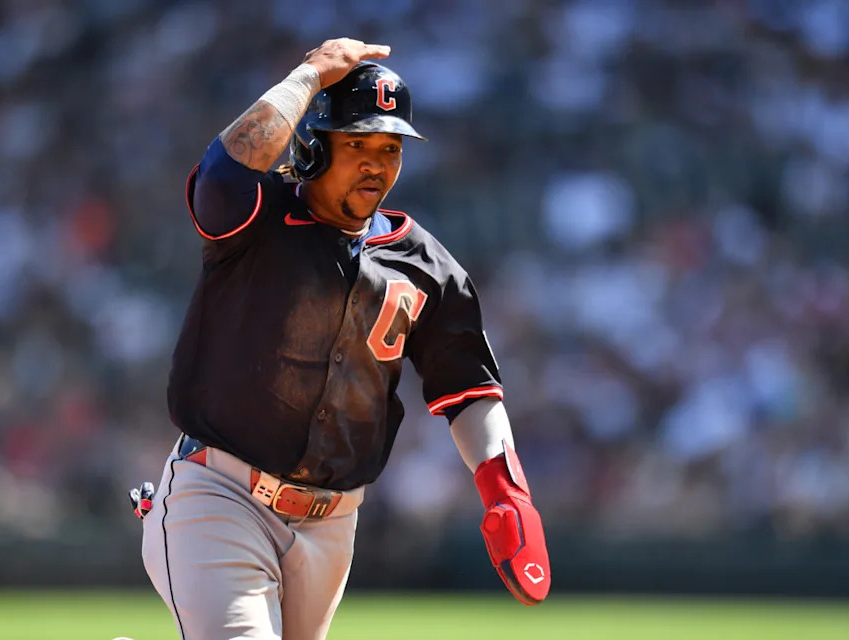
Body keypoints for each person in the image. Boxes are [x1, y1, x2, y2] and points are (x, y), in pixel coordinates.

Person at [130, 38, 551, 640]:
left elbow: (469, 389)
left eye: (390, 147)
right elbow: (222, 171)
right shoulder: (256, 219)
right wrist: (309, 76)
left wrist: (506, 491)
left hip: (332, 524)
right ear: (311, 146)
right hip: (220, 493)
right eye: (356, 143)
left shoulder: (425, 264)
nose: (376, 162)